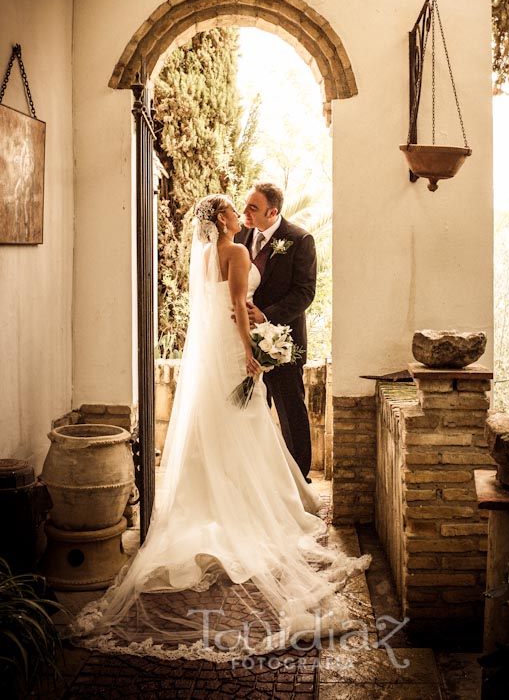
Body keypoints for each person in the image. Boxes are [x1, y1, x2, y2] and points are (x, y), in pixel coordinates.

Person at [69, 194, 370, 661]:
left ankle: (219, 502)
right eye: (234, 209)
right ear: (222, 219)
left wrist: (260, 333)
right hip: (235, 349)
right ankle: (253, 506)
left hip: (214, 353)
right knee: (248, 427)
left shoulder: (211, 252)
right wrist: (253, 353)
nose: (241, 213)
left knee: (230, 427)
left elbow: (242, 302)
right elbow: (236, 304)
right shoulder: (238, 249)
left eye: (247, 207)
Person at [236, 182, 316, 480]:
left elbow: (305, 292)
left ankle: (300, 480)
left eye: (252, 208)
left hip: (282, 342)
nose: (244, 212)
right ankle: (256, 480)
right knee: (250, 410)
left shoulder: (299, 239)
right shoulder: (240, 235)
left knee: (290, 411)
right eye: (245, 205)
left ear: (273, 212)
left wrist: (266, 315)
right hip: (244, 342)